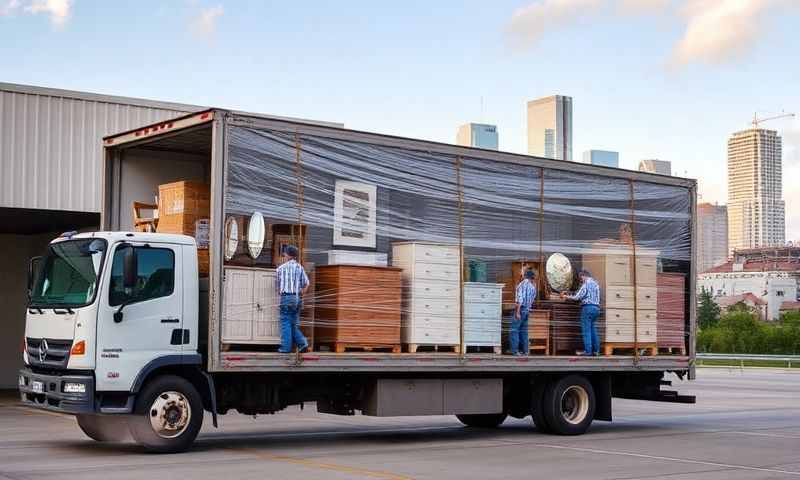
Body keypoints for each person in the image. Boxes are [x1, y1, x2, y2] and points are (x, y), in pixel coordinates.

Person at [276, 245, 309, 353]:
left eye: (285, 253)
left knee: (285, 322)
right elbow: (307, 284)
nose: (284, 255)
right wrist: (300, 294)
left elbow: (277, 287)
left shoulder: (280, 268)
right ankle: (302, 343)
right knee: (293, 323)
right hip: (296, 298)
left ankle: (286, 348)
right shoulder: (300, 267)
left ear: (288, 255)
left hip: (286, 297)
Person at [561, 269, 601, 356]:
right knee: (593, 330)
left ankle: (588, 351)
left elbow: (577, 297)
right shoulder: (596, 284)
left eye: (581, 278)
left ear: (583, 276)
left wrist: (566, 296)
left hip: (587, 308)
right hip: (596, 308)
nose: (581, 280)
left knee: (586, 331)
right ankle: (596, 351)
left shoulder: (586, 284)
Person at [510, 269, 537, 356]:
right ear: (531, 277)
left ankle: (515, 351)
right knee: (524, 331)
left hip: (521, 309)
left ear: (525, 276)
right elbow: (532, 300)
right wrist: (528, 309)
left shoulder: (521, 285)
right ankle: (526, 351)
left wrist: (517, 312)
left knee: (514, 330)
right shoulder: (533, 287)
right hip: (527, 310)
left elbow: (519, 300)